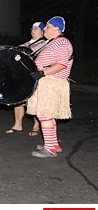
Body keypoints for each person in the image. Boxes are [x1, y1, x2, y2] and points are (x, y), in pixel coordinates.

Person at [27, 16, 74, 158]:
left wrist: (42, 72)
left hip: (51, 83)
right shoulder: (53, 42)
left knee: (44, 115)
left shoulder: (62, 42)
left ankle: (49, 149)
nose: (45, 29)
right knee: (49, 114)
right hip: (48, 82)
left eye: (47, 27)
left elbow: (61, 64)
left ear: (57, 29)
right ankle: (53, 144)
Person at [6, 22, 46, 135]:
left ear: (43, 31)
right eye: (32, 28)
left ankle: (36, 126)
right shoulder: (24, 45)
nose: (33, 30)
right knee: (19, 100)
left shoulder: (45, 44)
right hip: (22, 76)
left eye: (36, 28)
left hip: (36, 75)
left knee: (36, 102)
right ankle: (17, 125)